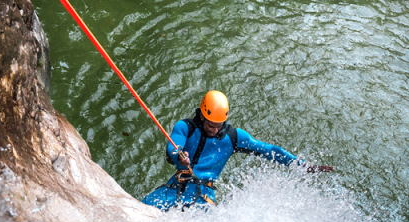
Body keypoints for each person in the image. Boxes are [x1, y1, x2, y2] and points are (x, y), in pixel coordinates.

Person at [142, 90, 332, 211]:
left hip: (204, 197)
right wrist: (179, 156)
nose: (214, 130)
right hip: (177, 187)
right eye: (210, 124)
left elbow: (269, 150)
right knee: (143, 208)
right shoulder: (186, 127)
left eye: (218, 125)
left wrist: (301, 165)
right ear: (201, 114)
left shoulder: (233, 137)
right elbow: (173, 146)